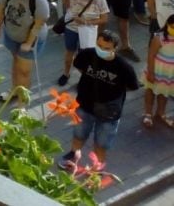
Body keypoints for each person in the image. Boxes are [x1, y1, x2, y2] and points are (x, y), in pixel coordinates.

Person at [59, 30, 139, 171]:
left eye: (106, 48)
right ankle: (73, 154)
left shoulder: (124, 67)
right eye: (99, 45)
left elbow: (133, 86)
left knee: (101, 143)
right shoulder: (87, 54)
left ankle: (97, 168)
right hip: (84, 105)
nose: (101, 50)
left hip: (109, 112)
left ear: (115, 48)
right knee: (79, 134)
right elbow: (78, 65)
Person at [0, 0, 49, 104]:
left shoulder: (39, 0)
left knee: (24, 72)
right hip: (12, 34)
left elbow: (38, 24)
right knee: (16, 62)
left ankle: (22, 104)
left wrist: (28, 43)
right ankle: (14, 90)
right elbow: (0, 11)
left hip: (30, 38)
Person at [58, 0, 108, 86]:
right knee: (69, 51)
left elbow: (104, 19)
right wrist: (70, 11)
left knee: (85, 56)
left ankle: (85, 78)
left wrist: (86, 21)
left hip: (88, 31)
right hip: (71, 27)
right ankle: (66, 73)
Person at [144, 14, 174, 128]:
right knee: (150, 91)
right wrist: (151, 72)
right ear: (167, 25)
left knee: (164, 93)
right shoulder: (159, 37)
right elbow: (151, 55)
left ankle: (160, 113)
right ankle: (148, 113)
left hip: (169, 73)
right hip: (157, 70)